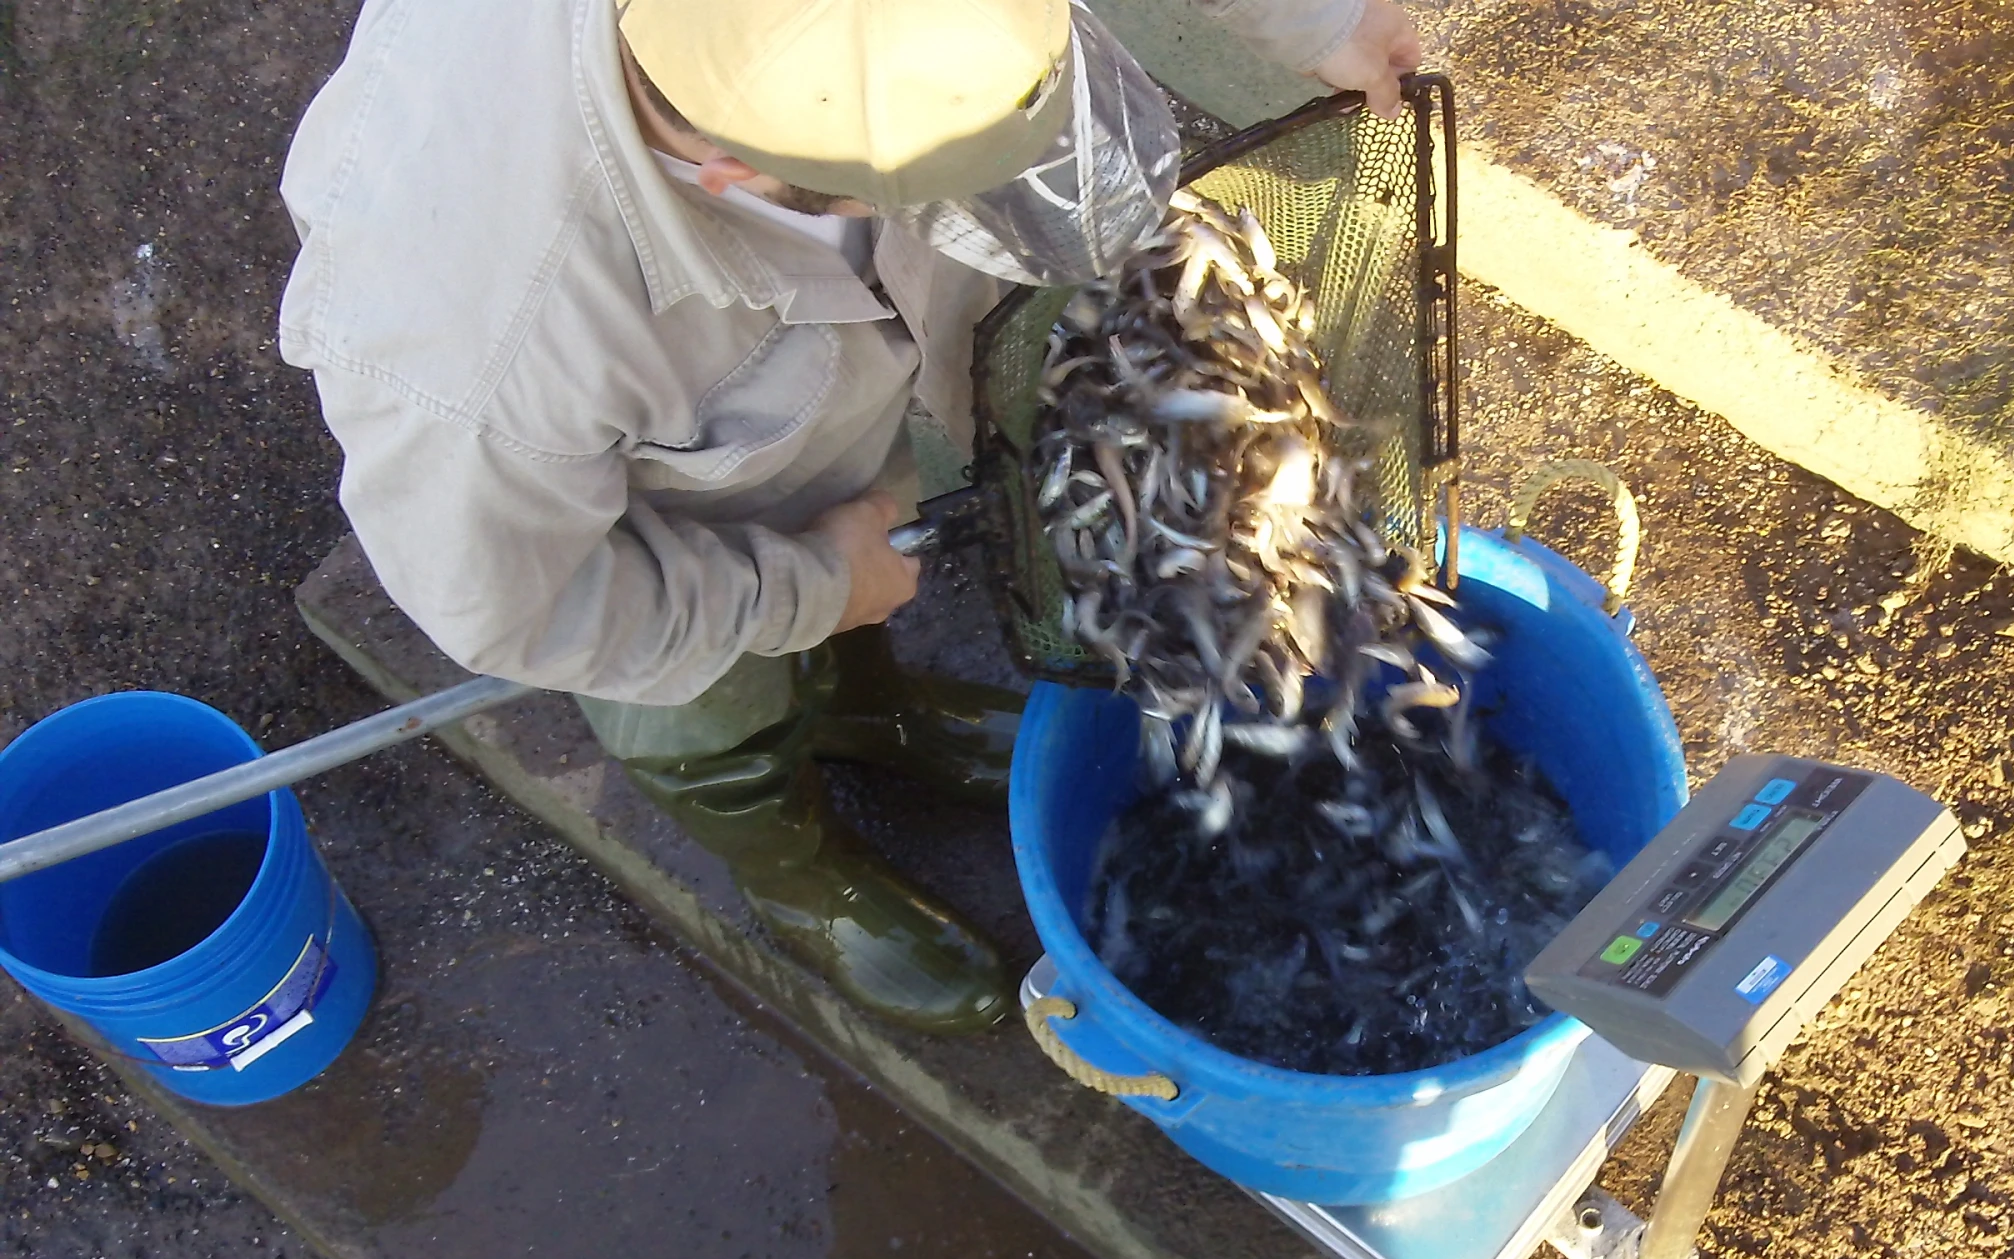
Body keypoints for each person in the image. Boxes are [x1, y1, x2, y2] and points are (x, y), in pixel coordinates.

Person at [276, 0, 1422, 1035]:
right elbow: (526, 613)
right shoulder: (476, 350)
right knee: (709, 709)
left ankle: (874, 713)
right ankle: (793, 872)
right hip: (655, 538)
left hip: (824, 382)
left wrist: (1318, 18)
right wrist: (816, 582)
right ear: (733, 173)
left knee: (874, 533)